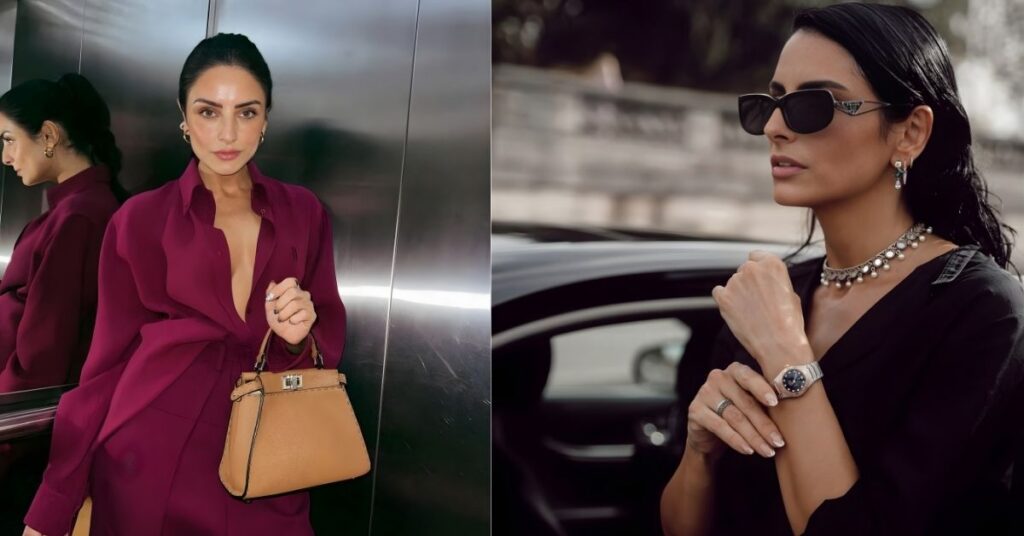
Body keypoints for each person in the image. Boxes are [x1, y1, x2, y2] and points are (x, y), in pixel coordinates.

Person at [660, 4, 1024, 536]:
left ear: (909, 134)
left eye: (814, 105)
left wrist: (788, 357)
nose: (776, 127)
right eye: (772, 102)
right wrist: (700, 453)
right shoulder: (777, 294)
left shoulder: (982, 315)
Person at [23, 33, 346, 536]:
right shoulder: (138, 220)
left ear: (266, 119)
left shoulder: (304, 213)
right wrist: (54, 502)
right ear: (183, 116)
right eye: (208, 111)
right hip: (150, 460)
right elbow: (105, 369)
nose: (227, 133)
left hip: (268, 459)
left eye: (246, 111)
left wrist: (300, 335)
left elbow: (326, 342)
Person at [0, 73, 124, 392]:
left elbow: (42, 357)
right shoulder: (71, 211)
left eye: (9, 139)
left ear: (49, 135)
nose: (5, 157)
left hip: (18, 415)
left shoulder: (78, 218)